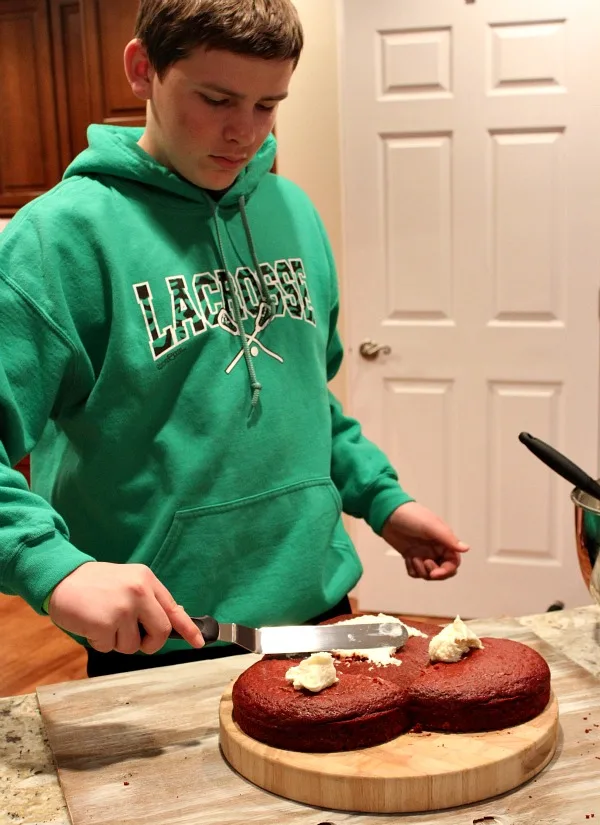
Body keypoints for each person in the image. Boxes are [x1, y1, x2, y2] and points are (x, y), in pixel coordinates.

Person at [0, 0, 469, 678]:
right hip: (162, 639)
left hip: (323, 613)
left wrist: (381, 497)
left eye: (267, 105)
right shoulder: (59, 240)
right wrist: (53, 567)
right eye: (216, 98)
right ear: (143, 70)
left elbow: (307, 399)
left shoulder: (293, 212)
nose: (242, 131)